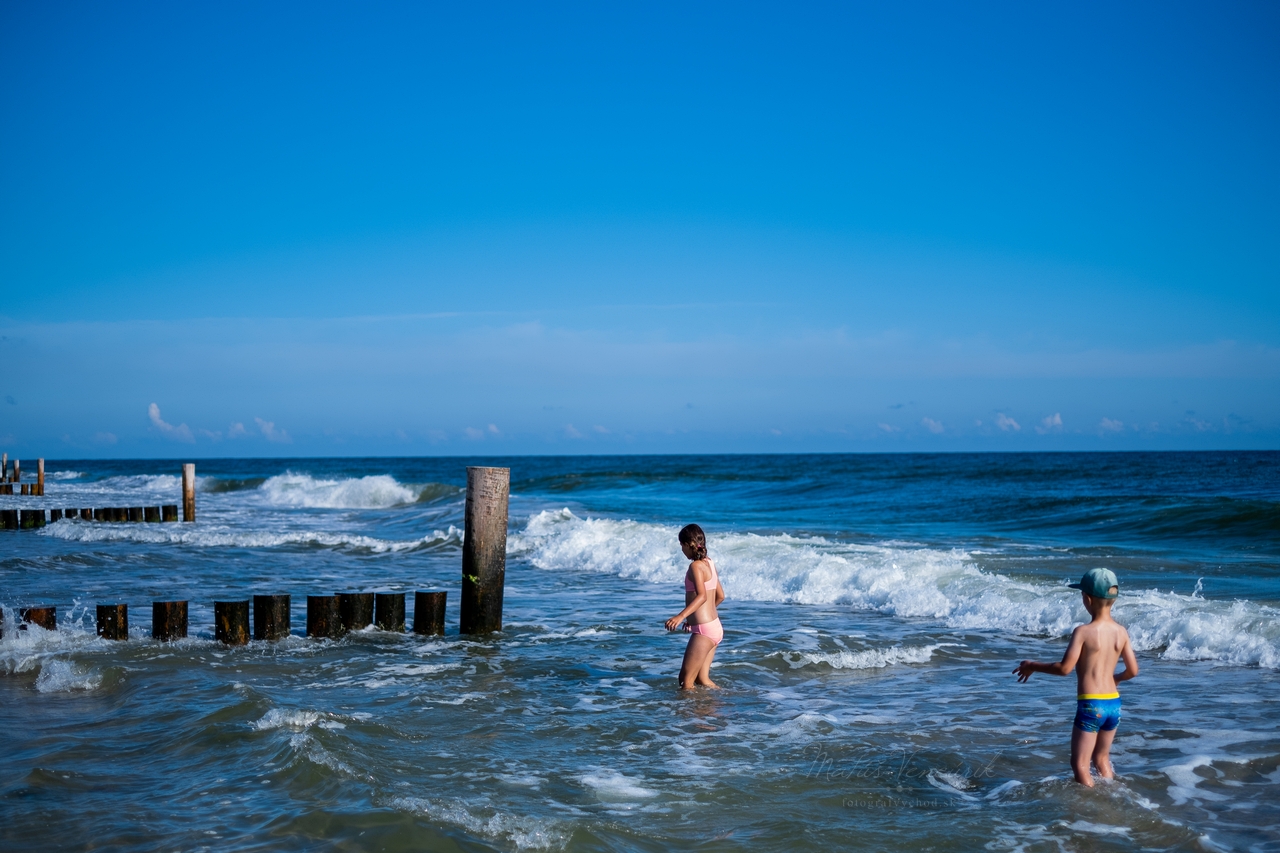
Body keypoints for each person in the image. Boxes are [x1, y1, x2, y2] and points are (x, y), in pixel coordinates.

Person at [1014, 568, 1139, 787]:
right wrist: (1115, 679)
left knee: (1080, 764)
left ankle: (1091, 806)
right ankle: (1110, 795)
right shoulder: (1121, 632)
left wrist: (1032, 665)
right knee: (1101, 759)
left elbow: (1064, 669)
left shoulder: (1083, 632)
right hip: (1114, 704)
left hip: (1091, 705)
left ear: (1088, 599)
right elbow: (1133, 671)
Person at [664, 523, 726, 689]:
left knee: (686, 682)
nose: (681, 550)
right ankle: (723, 703)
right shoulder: (709, 563)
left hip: (704, 631)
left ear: (686, 544)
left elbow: (702, 596)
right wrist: (694, 618)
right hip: (714, 627)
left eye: (681, 546)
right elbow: (720, 596)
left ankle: (689, 714)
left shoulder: (695, 566)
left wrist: (681, 616)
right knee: (702, 680)